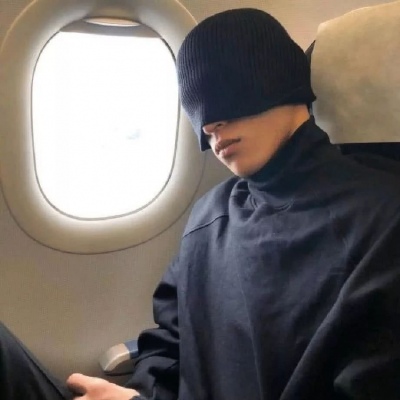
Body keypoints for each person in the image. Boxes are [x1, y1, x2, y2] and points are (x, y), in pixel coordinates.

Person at [1, 7, 400, 400]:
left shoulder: (383, 221)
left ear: (279, 78)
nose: (209, 124)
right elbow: (170, 342)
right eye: (195, 104)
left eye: (223, 87)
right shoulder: (211, 216)